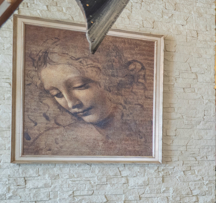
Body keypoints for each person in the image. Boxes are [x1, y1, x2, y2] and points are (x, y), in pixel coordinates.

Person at [23, 44, 152, 157]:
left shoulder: (150, 132)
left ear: (111, 80)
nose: (71, 103)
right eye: (57, 94)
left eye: (79, 86)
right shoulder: (51, 143)